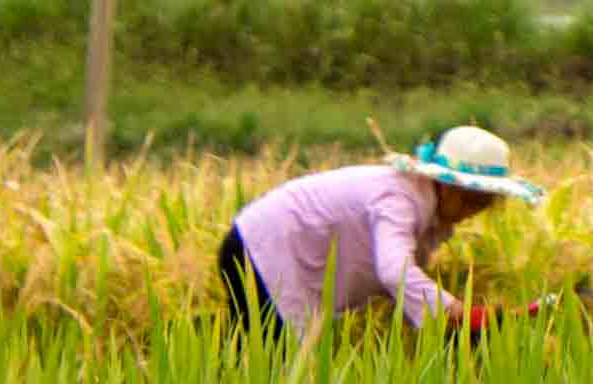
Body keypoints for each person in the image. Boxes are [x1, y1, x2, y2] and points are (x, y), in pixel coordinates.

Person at [217, 122, 540, 338]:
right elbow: (394, 271)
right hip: (261, 252)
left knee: (257, 357)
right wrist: (457, 312)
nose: (474, 211)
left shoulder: (425, 208)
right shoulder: (397, 198)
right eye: (472, 200)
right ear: (446, 186)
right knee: (271, 365)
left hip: (265, 247)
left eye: (483, 202)